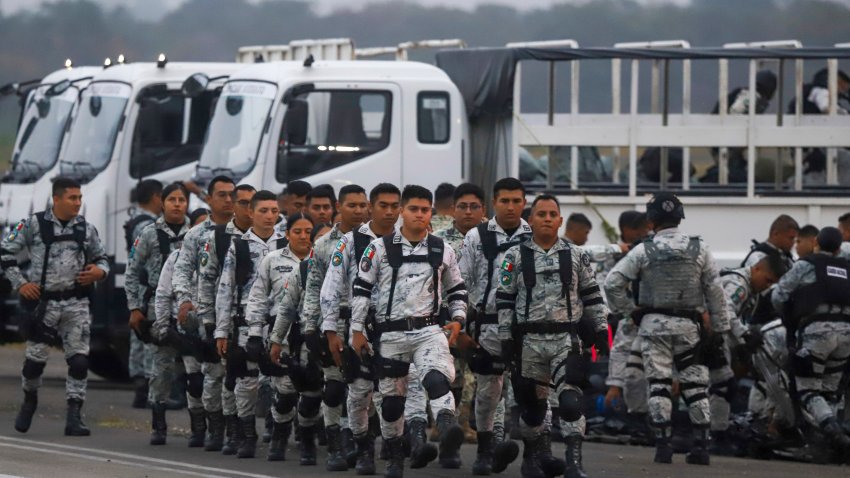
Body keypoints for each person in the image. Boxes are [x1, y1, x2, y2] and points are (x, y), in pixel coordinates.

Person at [351, 185, 468, 478]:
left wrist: (458, 318)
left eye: (425, 209)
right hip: (389, 334)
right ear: (402, 211)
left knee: (436, 377)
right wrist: (357, 330)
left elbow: (457, 289)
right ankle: (394, 456)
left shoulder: (443, 249)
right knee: (391, 405)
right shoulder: (378, 248)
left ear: (431, 212)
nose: (419, 214)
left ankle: (445, 425)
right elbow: (361, 290)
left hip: (429, 330)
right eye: (413, 209)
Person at [605, 192, 729, 466]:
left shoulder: (643, 249)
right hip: (689, 327)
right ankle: (701, 447)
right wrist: (720, 328)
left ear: (651, 220)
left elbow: (613, 282)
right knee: (696, 384)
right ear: (680, 217)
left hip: (653, 326)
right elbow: (716, 291)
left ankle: (663, 446)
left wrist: (630, 311)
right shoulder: (701, 248)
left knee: (659, 384)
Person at [496, 194, 608, 478]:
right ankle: (532, 458)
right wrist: (506, 338)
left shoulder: (577, 255)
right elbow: (505, 299)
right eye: (541, 213)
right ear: (530, 220)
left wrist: (601, 330)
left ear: (560, 220)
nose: (547, 218)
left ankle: (574, 462)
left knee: (571, 403)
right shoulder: (513, 256)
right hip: (528, 344)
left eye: (552, 214)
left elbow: (592, 296)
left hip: (566, 341)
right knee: (532, 410)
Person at [6, 177, 109, 436]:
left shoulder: (86, 229)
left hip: (76, 303)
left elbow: (102, 258)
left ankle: (74, 415)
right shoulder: (33, 224)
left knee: (79, 362)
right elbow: (4, 252)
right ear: (57, 199)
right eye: (72, 198)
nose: (78, 203)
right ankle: (29, 399)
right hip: (44, 305)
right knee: (34, 363)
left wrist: (99, 272)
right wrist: (20, 284)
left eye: (80, 198)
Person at [320, 184, 403, 473]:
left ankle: (393, 452)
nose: (389, 211)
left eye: (395, 206)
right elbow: (331, 286)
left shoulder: (407, 241)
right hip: (357, 329)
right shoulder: (350, 242)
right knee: (358, 393)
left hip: (397, 330)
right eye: (383, 205)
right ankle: (363, 448)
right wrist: (330, 331)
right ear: (372, 206)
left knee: (392, 393)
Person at [459, 177, 530, 475]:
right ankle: (486, 451)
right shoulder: (477, 237)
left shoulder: (536, 235)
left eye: (516, 201)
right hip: (487, 325)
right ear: (494, 203)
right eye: (505, 201)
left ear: (524, 203)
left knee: (533, 392)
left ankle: (534, 454)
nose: (511, 207)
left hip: (528, 327)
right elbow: (463, 282)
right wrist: (461, 325)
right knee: (489, 391)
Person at [301, 183, 370, 470]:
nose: (357, 210)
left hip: (367, 323)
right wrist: (311, 329)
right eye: (351, 205)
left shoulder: (378, 241)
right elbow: (314, 288)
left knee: (363, 388)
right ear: (338, 208)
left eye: (361, 205)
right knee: (333, 389)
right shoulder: (323, 244)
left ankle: (359, 442)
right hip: (333, 324)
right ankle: (335, 447)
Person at [213, 190, 286, 459]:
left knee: (281, 382)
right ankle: (245, 434)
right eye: (263, 210)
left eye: (274, 211)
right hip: (245, 323)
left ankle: (278, 435)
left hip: (280, 323)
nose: (269, 216)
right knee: (246, 382)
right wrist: (222, 330)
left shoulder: (286, 245)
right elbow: (226, 288)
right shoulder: (239, 246)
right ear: (250, 213)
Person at [171, 175, 236, 452]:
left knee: (236, 375)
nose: (228, 199)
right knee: (208, 375)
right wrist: (184, 301)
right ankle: (210, 427)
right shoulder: (196, 235)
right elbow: (183, 270)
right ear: (208, 199)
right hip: (204, 313)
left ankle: (236, 430)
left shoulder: (242, 232)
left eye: (232, 194)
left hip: (236, 313)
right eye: (221, 194)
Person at [771, 226, 850, 453]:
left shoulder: (806, 264)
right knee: (829, 390)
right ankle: (829, 444)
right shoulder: (847, 268)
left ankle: (832, 430)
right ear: (837, 248)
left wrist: (789, 317)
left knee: (807, 390)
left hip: (817, 331)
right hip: (846, 333)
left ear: (816, 242)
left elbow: (779, 295)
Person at [125, 183, 191, 445]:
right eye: (172, 199)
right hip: (158, 308)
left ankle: (202, 424)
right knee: (161, 367)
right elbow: (132, 272)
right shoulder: (148, 233)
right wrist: (135, 308)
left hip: (190, 308)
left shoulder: (198, 233)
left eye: (182, 199)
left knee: (197, 368)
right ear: (161, 203)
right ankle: (159, 422)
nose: (177, 204)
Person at [245, 212, 315, 461]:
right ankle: (279, 438)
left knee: (310, 393)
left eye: (308, 231)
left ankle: (307, 442)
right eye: (298, 231)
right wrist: (255, 333)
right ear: (287, 234)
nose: (303, 236)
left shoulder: (323, 260)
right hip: (281, 334)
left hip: (311, 336)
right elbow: (257, 297)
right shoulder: (272, 260)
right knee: (285, 392)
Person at [195, 183, 256, 455]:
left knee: (252, 378)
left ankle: (248, 431)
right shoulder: (218, 238)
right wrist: (210, 322)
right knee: (225, 377)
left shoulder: (273, 236)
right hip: (227, 319)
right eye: (243, 202)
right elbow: (208, 283)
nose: (248, 208)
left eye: (252, 203)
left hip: (259, 321)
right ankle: (225, 429)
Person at [709, 254, 786, 454]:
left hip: (713, 338)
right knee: (722, 386)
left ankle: (711, 433)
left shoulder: (748, 287)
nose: (767, 286)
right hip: (710, 339)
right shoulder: (740, 286)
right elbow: (726, 313)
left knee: (716, 386)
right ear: (758, 269)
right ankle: (716, 436)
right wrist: (744, 335)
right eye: (767, 280)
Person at [434, 182, 486, 444]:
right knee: (448, 375)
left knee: (474, 379)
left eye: (474, 207)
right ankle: (445, 427)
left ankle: (463, 424)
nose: (468, 212)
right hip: (447, 321)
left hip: (484, 321)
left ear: (483, 209)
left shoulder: (492, 239)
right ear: (452, 210)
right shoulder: (439, 242)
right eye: (462, 207)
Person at [124, 178, 163, 408]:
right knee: (147, 337)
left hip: (139, 287)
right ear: (156, 197)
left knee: (139, 337)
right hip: (146, 287)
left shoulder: (135, 220)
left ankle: (141, 389)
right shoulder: (147, 225)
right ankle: (146, 389)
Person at [701, 70, 778, 184]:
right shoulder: (751, 96)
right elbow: (736, 115)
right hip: (728, 144)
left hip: (725, 143)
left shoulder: (741, 93)